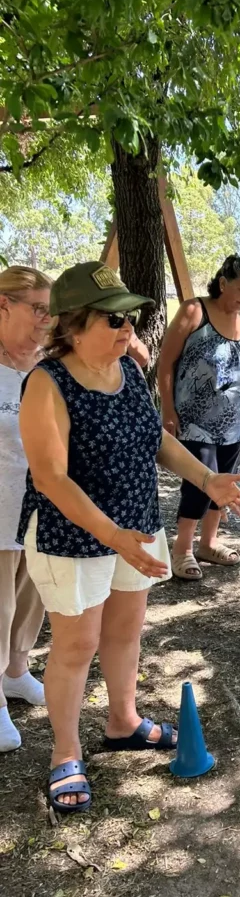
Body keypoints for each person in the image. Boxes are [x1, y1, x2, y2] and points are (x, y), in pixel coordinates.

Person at [18, 261, 240, 815]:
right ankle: (65, 753)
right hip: (71, 536)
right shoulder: (47, 383)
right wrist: (112, 537)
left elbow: (157, 441)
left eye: (130, 319)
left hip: (135, 525)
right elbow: (51, 479)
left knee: (126, 633)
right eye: (112, 320)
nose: (128, 330)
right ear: (73, 326)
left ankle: (122, 721)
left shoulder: (127, 375)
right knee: (76, 646)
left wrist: (206, 477)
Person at [158, 255, 240, 579]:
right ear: (223, 283)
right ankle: (182, 550)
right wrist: (168, 409)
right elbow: (165, 364)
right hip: (194, 421)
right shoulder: (194, 311)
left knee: (225, 483)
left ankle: (209, 543)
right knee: (200, 485)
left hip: (235, 423)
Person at [0, 266, 52, 752]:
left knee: (32, 595)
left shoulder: (49, 365)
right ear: (4, 305)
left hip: (39, 506)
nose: (46, 319)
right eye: (38, 308)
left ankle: (16, 670)